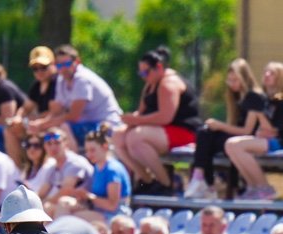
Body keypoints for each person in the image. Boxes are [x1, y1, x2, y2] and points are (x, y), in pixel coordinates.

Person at [112, 47, 202, 196]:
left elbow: (165, 117)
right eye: (141, 73)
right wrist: (130, 119)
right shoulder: (150, 84)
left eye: (146, 72)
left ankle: (166, 184)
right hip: (160, 131)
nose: (143, 76)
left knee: (136, 137)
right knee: (118, 136)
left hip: (183, 131)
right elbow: (141, 111)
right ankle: (146, 180)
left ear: (159, 67)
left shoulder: (169, 84)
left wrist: (137, 120)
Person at [184, 58, 266, 199]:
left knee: (207, 139)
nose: (232, 84)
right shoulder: (235, 97)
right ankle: (201, 179)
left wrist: (220, 126)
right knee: (204, 133)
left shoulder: (254, 96)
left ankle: (207, 183)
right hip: (236, 137)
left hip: (249, 139)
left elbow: (247, 130)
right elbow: (233, 124)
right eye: (229, 80)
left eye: (235, 80)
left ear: (245, 78)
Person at [28, 45, 123, 151]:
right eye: (59, 65)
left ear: (77, 62)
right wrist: (39, 124)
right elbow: (57, 111)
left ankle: (74, 164)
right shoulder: (61, 80)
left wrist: (44, 125)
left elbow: (74, 116)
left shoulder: (82, 80)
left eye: (67, 64)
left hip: (106, 125)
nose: (63, 69)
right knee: (49, 132)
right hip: (87, 124)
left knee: (63, 128)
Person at [223, 62, 283, 200]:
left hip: (279, 142)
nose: (267, 75)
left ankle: (265, 188)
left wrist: (259, 112)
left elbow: (272, 130)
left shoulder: (280, 102)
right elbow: (262, 131)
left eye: (272, 73)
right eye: (265, 72)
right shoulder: (264, 98)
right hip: (268, 140)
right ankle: (252, 187)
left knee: (236, 145)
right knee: (230, 145)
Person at [53, 124, 132, 223]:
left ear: (104, 147)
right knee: (63, 202)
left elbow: (112, 206)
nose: (88, 154)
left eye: (92, 150)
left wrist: (89, 196)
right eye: (87, 151)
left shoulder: (113, 170)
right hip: (98, 211)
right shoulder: (97, 168)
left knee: (72, 217)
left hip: (115, 216)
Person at [34, 127, 94, 217]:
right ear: (45, 147)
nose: (53, 147)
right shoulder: (53, 168)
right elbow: (41, 193)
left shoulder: (74, 163)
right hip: (68, 206)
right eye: (49, 144)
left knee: (53, 206)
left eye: (57, 143)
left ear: (66, 144)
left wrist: (41, 203)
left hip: (86, 206)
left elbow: (66, 191)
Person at [6, 46, 59, 143]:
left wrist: (28, 121)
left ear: (53, 64)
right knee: (9, 130)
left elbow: (55, 112)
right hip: (38, 124)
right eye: (35, 69)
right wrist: (18, 118)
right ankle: (18, 158)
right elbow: (26, 107)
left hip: (55, 125)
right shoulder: (37, 85)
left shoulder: (58, 83)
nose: (39, 72)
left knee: (33, 131)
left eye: (43, 67)